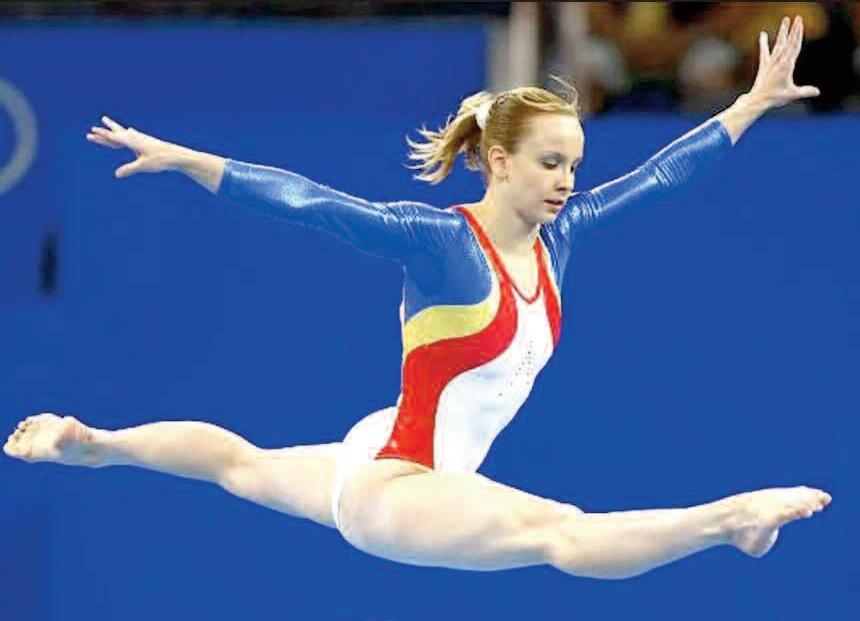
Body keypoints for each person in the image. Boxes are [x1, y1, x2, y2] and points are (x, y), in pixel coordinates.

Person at [5, 16, 831, 579]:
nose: (566, 181)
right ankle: (727, 521)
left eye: (574, 165)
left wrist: (750, 103)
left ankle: (97, 444)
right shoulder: (440, 242)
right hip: (397, 484)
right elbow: (314, 203)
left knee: (240, 463)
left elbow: (660, 176)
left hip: (391, 449)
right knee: (560, 531)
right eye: (550, 163)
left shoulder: (562, 238)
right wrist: (193, 160)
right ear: (499, 161)